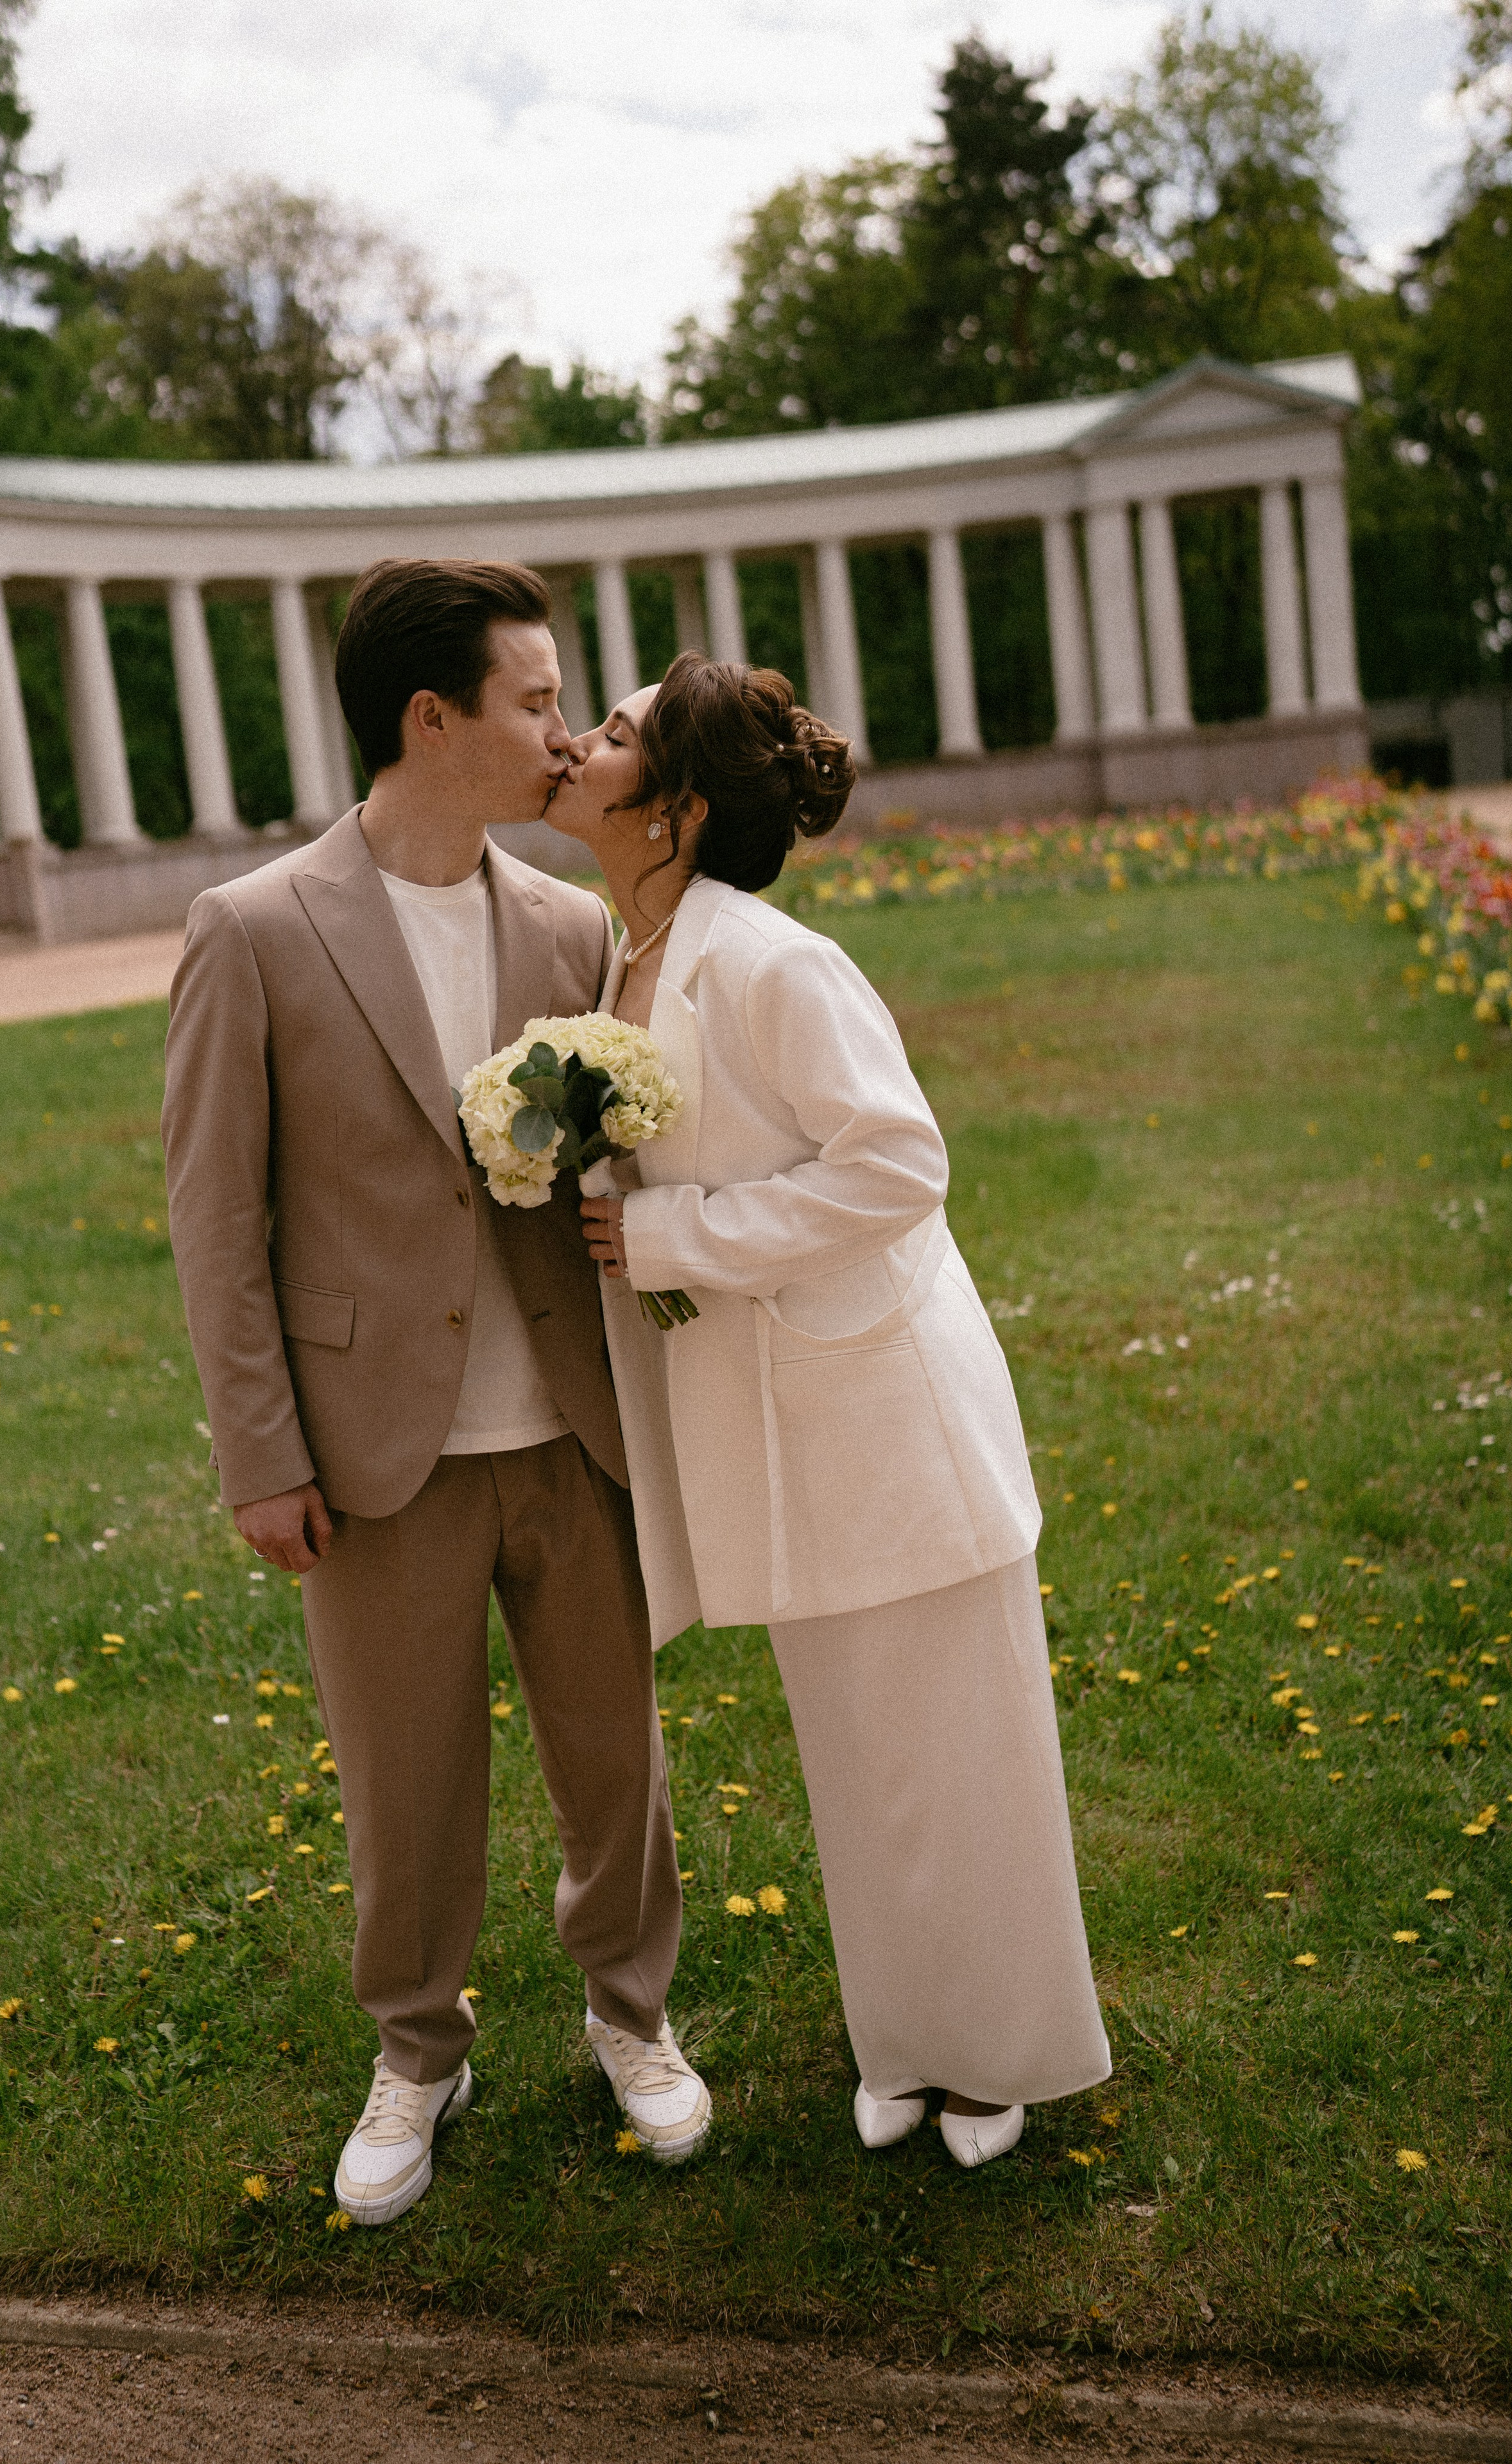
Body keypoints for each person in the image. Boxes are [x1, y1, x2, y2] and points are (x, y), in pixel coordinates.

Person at [161, 560, 711, 2225]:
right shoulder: (253, 930)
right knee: (405, 1782)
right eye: (539, 700)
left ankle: (634, 2013)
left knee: (617, 1758)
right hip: (371, 1453)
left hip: (573, 1427)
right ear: (432, 717)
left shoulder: (567, 928)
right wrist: (260, 1450)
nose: (563, 728)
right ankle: (419, 2049)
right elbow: (215, 1219)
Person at [556, 651, 1112, 2168]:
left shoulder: (771, 962)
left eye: (607, 734)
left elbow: (895, 1165)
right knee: (858, 1749)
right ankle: (905, 2042)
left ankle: (998, 2055)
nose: (573, 742)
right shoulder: (624, 961)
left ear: (667, 808)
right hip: (776, 1425)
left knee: (958, 1743)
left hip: (886, 1410)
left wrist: (673, 1241)